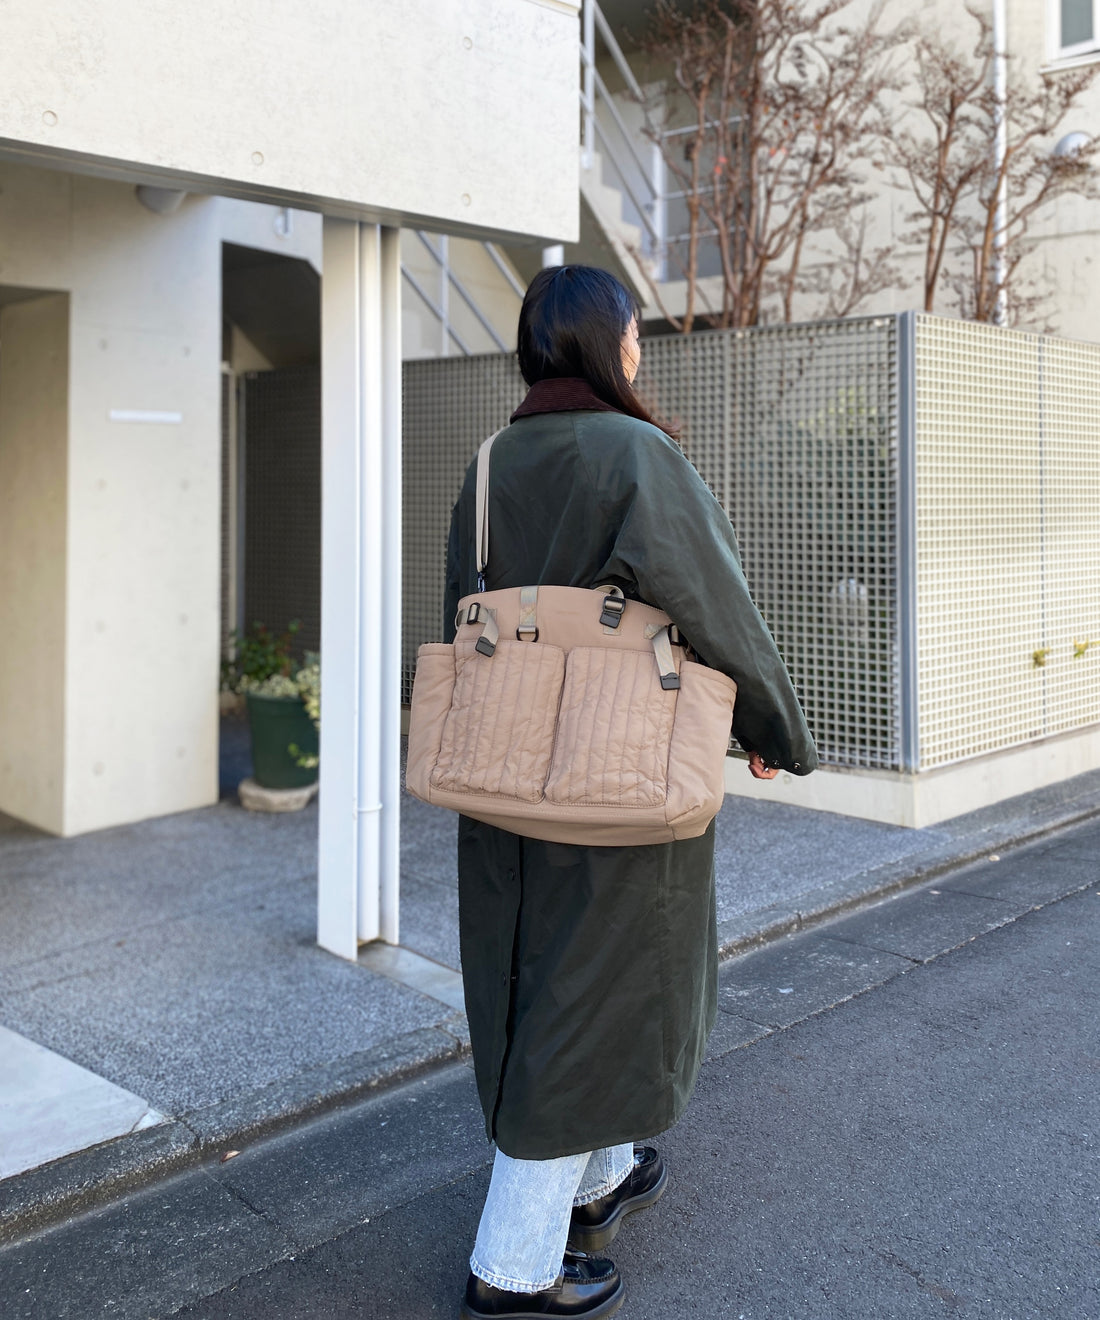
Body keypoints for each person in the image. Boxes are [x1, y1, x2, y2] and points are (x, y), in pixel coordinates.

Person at [443, 265, 818, 1320]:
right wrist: (769, 730)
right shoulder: (633, 453)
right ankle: (512, 1264)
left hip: (505, 771)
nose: (640, 355)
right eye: (636, 338)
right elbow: (712, 608)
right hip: (616, 770)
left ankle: (603, 1177)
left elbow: (467, 622)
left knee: (543, 978)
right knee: (596, 989)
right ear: (606, 345)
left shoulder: (485, 464)